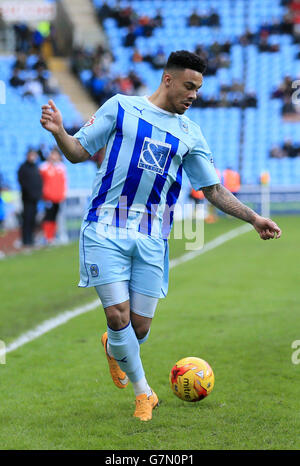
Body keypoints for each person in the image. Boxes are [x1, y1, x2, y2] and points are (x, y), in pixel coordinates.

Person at [40, 50, 281, 422]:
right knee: (118, 316)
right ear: (168, 80)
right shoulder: (120, 108)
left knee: (138, 327)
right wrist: (59, 132)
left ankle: (114, 348)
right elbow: (77, 151)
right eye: (189, 86)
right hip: (105, 227)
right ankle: (144, 394)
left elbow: (213, 190)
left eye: (198, 89)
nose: (194, 95)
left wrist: (253, 218)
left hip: (153, 236)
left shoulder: (190, 134)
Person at [39, 147, 67, 244]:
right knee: (48, 217)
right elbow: (40, 182)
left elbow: (64, 182)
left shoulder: (61, 167)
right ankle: (47, 237)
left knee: (55, 217)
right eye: (53, 154)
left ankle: (53, 237)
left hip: (58, 197)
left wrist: (64, 193)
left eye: (56, 154)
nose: (54, 156)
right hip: (48, 197)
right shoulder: (44, 167)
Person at [18, 149, 43, 246]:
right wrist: (30, 193)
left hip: (35, 198)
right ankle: (25, 240)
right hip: (27, 198)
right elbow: (22, 182)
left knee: (33, 219)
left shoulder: (36, 167)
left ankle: (31, 239)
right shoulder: (23, 168)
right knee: (27, 219)